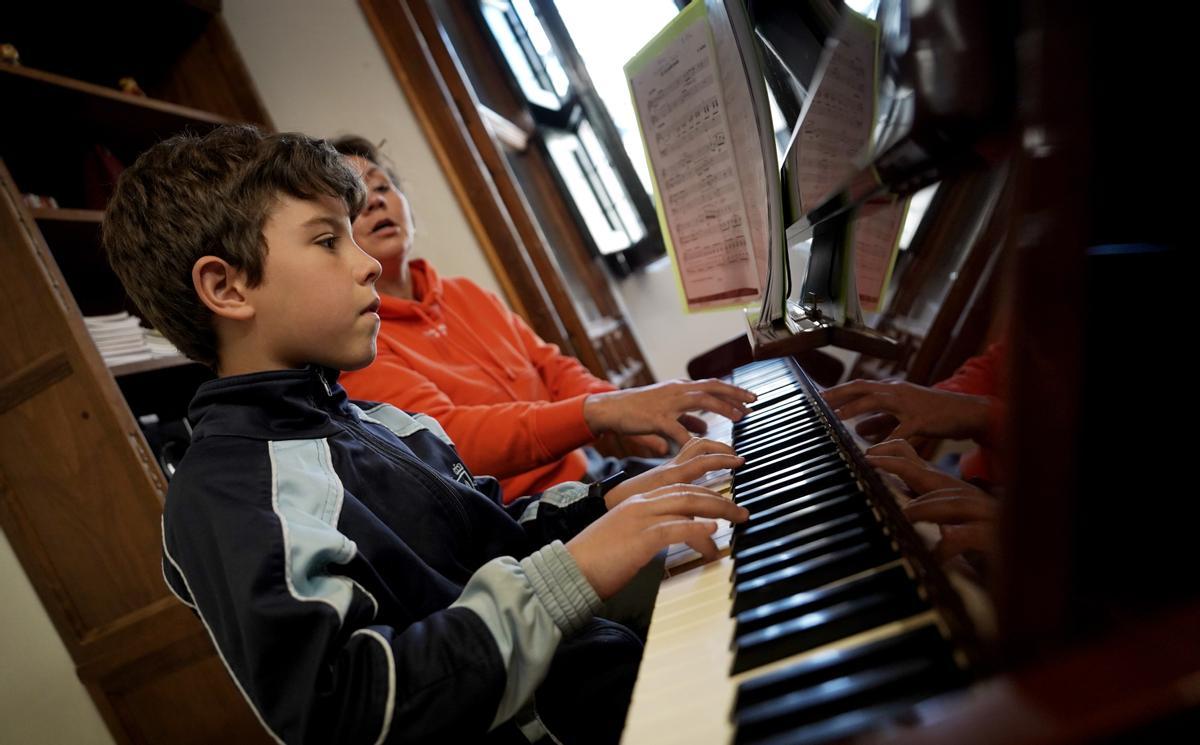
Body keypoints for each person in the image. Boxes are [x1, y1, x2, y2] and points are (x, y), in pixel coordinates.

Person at [102, 125, 748, 744]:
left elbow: (491, 535)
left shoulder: (378, 420)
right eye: (328, 240)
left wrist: (615, 500)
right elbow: (345, 709)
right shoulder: (229, 494)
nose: (365, 265)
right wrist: (571, 571)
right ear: (227, 286)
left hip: (597, 679)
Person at [330, 134, 756, 501]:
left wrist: (630, 409)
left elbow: (552, 367)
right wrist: (603, 410)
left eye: (383, 186)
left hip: (592, 470)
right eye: (356, 198)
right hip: (528, 516)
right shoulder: (358, 336)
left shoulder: (464, 293)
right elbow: (452, 441)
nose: (377, 201)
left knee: (744, 471)